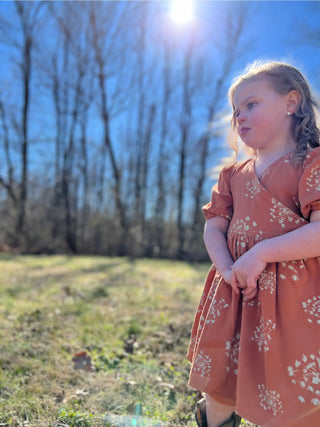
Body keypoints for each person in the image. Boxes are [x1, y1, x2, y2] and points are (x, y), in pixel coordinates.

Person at [187, 61, 320, 427]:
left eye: (251, 104)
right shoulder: (233, 175)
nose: (240, 117)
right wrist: (228, 268)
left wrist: (262, 253)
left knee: (294, 394)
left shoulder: (312, 163)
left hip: (295, 302)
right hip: (235, 294)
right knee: (220, 388)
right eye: (235, 111)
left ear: (291, 102)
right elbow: (214, 227)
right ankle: (214, 418)